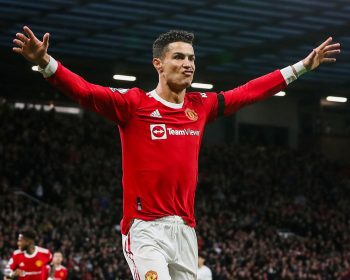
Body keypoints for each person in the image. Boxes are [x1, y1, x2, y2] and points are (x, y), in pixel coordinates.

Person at [12, 26, 340, 280]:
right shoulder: (134, 104)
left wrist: (302, 67)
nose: (188, 64)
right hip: (145, 229)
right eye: (179, 57)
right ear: (158, 63)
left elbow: (249, 92)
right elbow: (84, 92)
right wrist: (45, 63)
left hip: (185, 229)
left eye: (192, 58)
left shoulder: (201, 106)